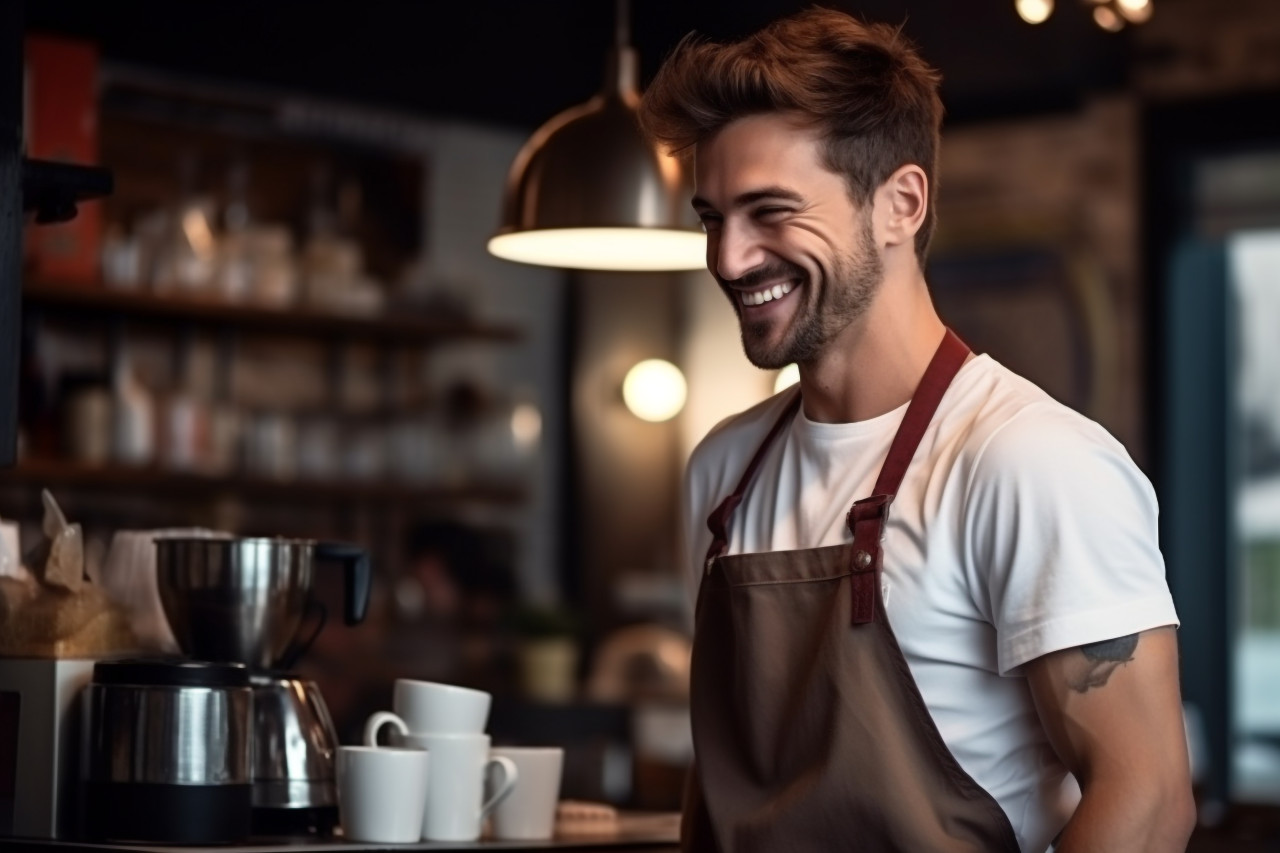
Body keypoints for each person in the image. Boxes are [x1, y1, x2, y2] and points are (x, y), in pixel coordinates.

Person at [638, 9, 1195, 853]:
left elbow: (1148, 802)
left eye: (770, 211)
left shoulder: (1029, 461)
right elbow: (723, 783)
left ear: (901, 203)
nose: (728, 258)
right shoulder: (722, 468)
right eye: (712, 217)